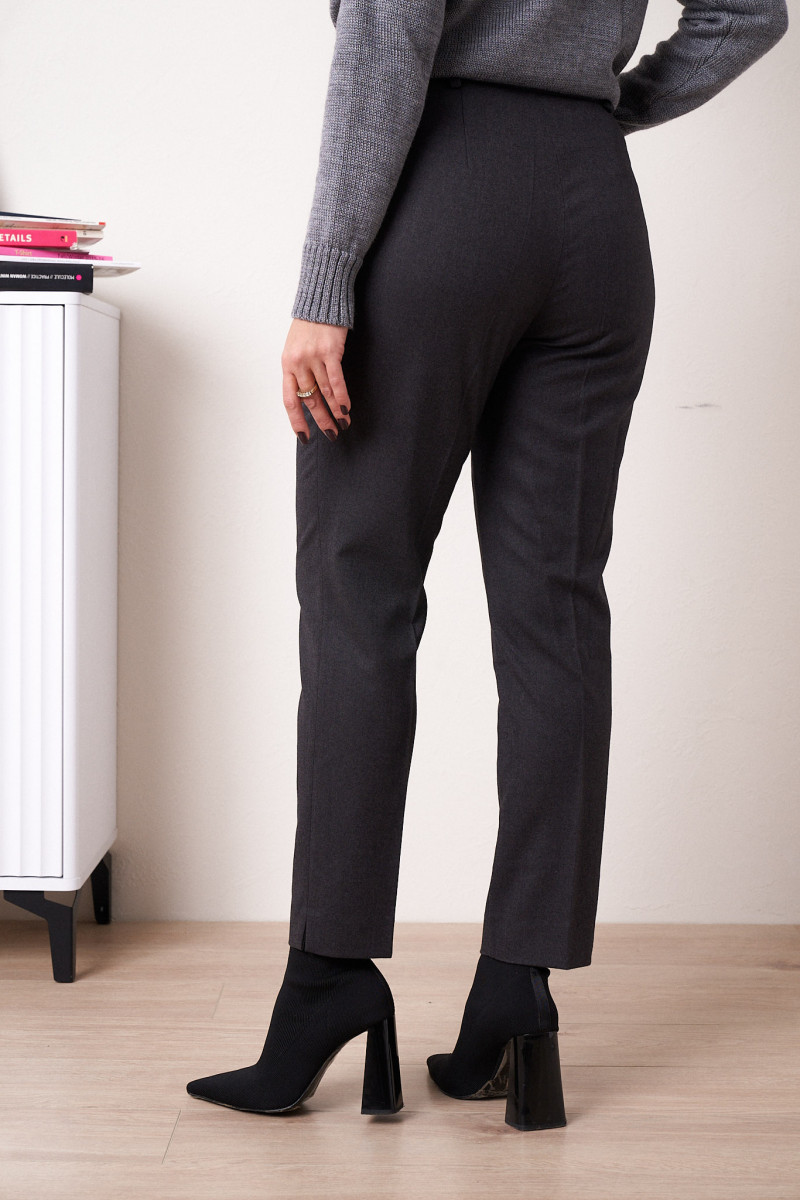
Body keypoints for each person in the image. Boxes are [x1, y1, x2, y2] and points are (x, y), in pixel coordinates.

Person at [187, 0, 789, 1131]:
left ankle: (328, 976)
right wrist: (604, 99)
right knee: (555, 610)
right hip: (594, 212)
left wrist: (324, 283)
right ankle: (518, 991)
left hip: (443, 190)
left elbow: (388, 37)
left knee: (359, 594)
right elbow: (750, 10)